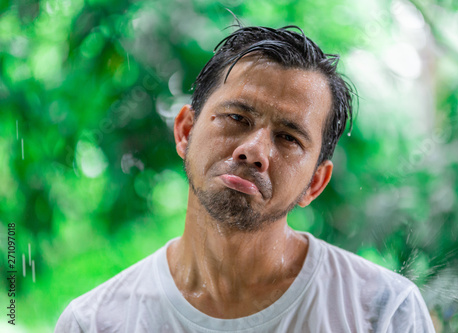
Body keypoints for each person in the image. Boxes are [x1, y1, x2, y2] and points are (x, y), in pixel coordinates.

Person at [55, 25, 436, 332]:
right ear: (186, 131)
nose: (254, 150)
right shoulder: (95, 323)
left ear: (315, 184)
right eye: (237, 118)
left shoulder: (383, 313)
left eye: (288, 138)